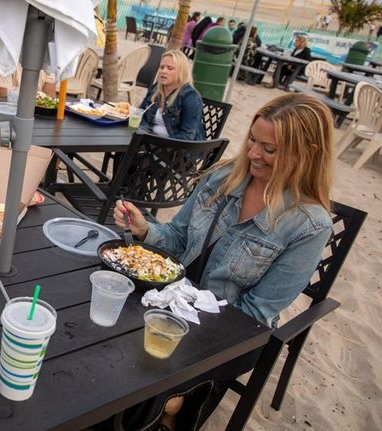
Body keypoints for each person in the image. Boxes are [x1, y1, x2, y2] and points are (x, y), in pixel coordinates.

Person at [115, 93, 334, 430]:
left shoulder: (308, 225)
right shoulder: (224, 177)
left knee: (145, 386)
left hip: (230, 332)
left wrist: (182, 327)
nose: (253, 154)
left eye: (270, 149)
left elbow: (256, 313)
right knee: (110, 350)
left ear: (308, 155)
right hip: (173, 297)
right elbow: (177, 237)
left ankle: (171, 408)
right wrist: (145, 230)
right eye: (252, 140)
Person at [136, 50, 205, 141]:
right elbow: (140, 114)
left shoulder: (190, 97)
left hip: (177, 150)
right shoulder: (156, 89)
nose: (163, 71)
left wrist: (157, 143)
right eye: (162, 67)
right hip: (150, 142)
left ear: (181, 71)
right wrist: (145, 133)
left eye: (170, 68)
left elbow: (187, 136)